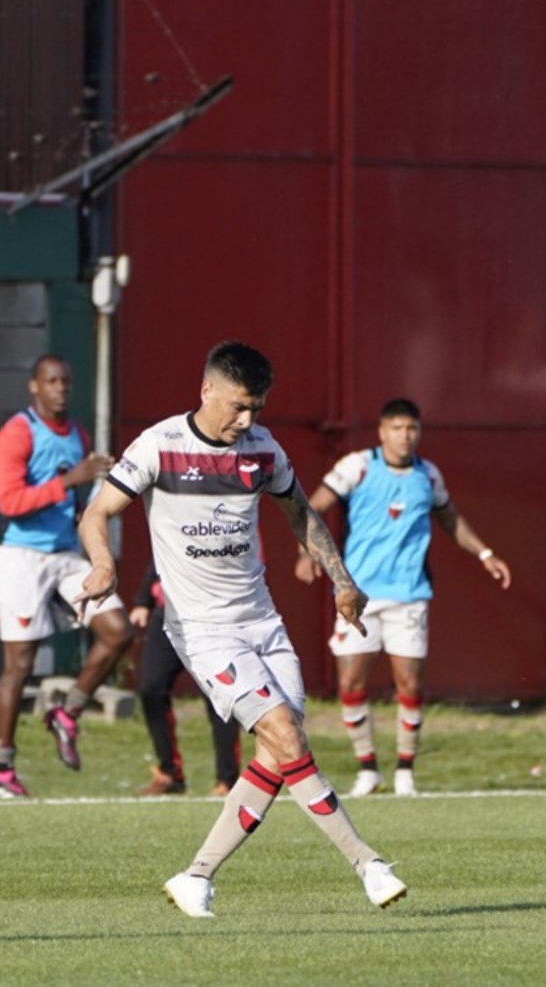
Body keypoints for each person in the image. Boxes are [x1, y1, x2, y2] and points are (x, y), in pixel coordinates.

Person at [75, 340, 408, 917]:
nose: (247, 420)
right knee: (286, 734)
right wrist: (102, 561)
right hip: (202, 630)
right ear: (206, 391)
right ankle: (368, 864)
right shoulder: (159, 445)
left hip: (262, 622)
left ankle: (196, 876)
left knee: (281, 755)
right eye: (238, 407)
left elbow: (301, 513)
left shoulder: (263, 450)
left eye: (256, 408)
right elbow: (96, 512)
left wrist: (342, 581)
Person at [295, 398, 511, 798]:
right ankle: (368, 769)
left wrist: (485, 553)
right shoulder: (357, 466)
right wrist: (305, 553)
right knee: (350, 682)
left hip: (409, 595)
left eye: (411, 428)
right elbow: (313, 506)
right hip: (357, 594)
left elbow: (450, 517)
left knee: (409, 683)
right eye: (396, 428)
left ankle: (405, 772)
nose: (404, 436)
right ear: (382, 432)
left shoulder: (427, 476)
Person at [0, 354, 134, 797]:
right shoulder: (16, 432)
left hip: (65, 552)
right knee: (20, 664)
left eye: (66, 380)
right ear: (34, 386)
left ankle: (67, 712)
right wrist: (71, 479)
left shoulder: (77, 434)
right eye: (51, 381)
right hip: (19, 555)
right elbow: (9, 502)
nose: (61, 388)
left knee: (118, 630)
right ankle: (2, 769)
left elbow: (77, 499)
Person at [132, 565, 243, 796]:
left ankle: (227, 779)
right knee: (151, 688)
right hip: (168, 614)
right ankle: (169, 773)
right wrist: (144, 599)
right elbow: (160, 551)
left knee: (219, 697)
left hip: (210, 616)